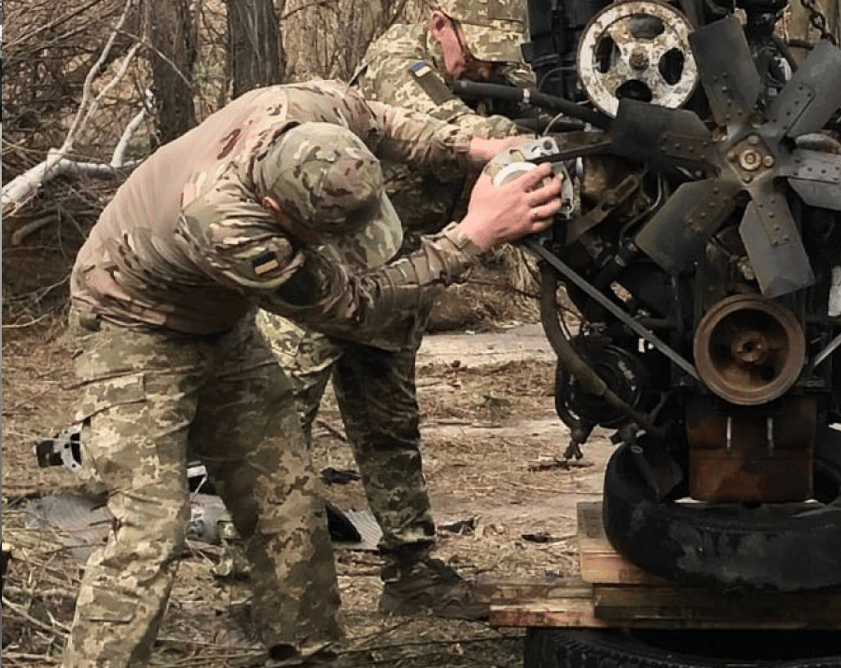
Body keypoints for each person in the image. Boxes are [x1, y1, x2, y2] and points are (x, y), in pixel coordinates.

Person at [62, 79, 562, 668]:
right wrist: (473, 236)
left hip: (221, 323)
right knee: (149, 528)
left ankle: (309, 653)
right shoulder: (227, 224)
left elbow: (382, 121)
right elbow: (357, 308)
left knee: (286, 497)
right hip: (131, 326)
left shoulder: (302, 107)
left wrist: (473, 147)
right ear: (277, 211)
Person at [255, 0, 538, 619]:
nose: (488, 69)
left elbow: (528, 100)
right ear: (439, 24)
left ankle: (411, 575)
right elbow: (448, 138)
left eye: (499, 57)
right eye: (475, 51)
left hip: (398, 277)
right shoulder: (397, 61)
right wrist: (526, 139)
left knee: (390, 431)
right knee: (271, 430)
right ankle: (251, 586)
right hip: (319, 275)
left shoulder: (496, 79)